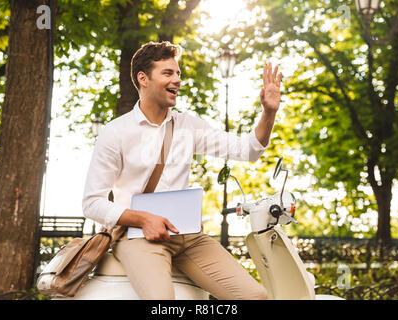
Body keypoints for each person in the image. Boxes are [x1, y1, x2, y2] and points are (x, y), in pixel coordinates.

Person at [82, 41, 282, 300]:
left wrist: (268, 112)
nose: (177, 79)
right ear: (143, 78)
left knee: (255, 296)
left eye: (178, 74)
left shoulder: (188, 126)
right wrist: (144, 219)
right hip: (138, 237)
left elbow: (249, 150)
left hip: (187, 237)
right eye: (168, 73)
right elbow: (92, 203)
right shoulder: (115, 132)